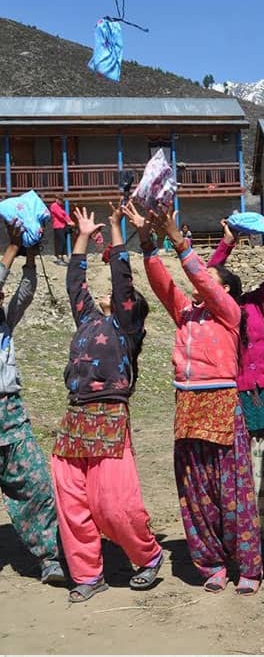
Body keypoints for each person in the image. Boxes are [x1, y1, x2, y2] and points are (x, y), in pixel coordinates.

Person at [126, 202, 262, 595]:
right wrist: (149, 240)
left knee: (233, 490)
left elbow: (202, 280)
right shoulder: (186, 314)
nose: (202, 285)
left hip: (221, 403)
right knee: (196, 492)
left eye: (212, 280)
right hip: (187, 406)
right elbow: (161, 284)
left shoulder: (230, 314)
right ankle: (211, 563)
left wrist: (177, 238)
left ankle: (248, 566)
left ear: (225, 291)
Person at [50, 205, 162, 602]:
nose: (113, 297)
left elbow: (122, 282)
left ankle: (147, 557)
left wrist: (116, 230)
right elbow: (74, 286)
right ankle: (86, 575)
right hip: (75, 415)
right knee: (71, 500)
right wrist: (80, 236)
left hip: (110, 415)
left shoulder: (126, 328)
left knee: (113, 504)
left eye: (122, 298)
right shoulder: (88, 320)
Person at [209, 216, 264, 548]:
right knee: (241, 465)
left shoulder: (255, 303)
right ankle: (245, 533)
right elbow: (206, 276)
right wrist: (227, 240)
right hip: (235, 391)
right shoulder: (217, 310)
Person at [0, 225, 63, 586]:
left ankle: (49, 557)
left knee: (38, 485)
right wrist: (11, 245)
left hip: (11, 417)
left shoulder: (5, 325)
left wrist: (31, 254)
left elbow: (24, 293)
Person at [49, 198, 73, 264]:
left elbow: (65, 215)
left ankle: (64, 257)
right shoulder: (54, 206)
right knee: (60, 241)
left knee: (64, 241)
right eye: (60, 200)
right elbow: (59, 215)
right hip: (57, 226)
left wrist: (70, 221)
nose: (61, 202)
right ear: (57, 200)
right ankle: (59, 257)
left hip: (63, 226)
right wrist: (68, 221)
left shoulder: (60, 207)